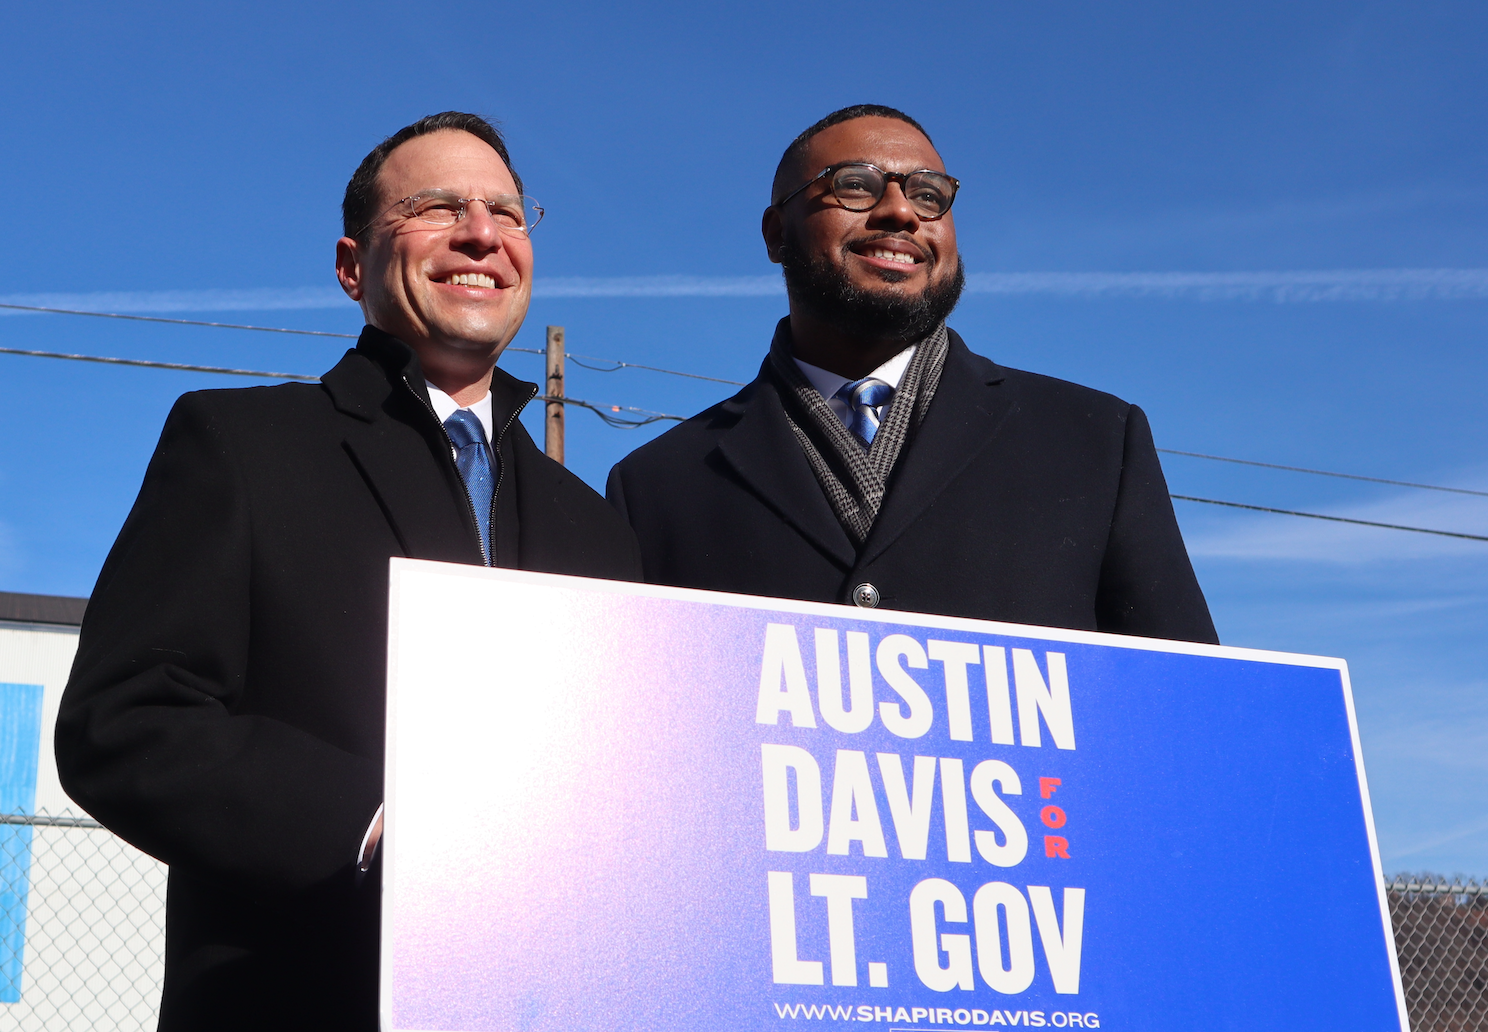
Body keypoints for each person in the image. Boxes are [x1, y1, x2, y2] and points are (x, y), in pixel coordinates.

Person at [55, 112, 641, 1030]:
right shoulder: (242, 446)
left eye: (507, 212)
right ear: (351, 265)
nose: (481, 233)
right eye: (436, 207)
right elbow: (123, 721)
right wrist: (371, 822)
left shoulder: (601, 531)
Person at [607, 104, 1216, 643]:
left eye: (929, 195)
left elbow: (1187, 704)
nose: (900, 210)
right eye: (855, 186)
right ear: (775, 232)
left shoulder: (1095, 439)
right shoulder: (658, 484)